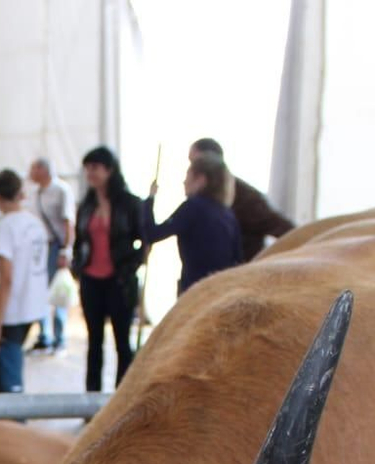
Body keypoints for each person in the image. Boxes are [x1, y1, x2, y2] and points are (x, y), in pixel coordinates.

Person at [71, 146, 147, 392]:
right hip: (91, 281)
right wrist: (77, 267)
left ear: (109, 170)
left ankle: (121, 397)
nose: (89, 174)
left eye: (94, 168)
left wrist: (132, 263)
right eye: (87, 169)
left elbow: (145, 240)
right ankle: (91, 399)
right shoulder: (86, 205)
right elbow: (79, 241)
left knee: (122, 344)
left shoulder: (130, 204)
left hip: (120, 281)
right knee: (94, 342)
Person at [0, 168, 50, 394]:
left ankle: (16, 419)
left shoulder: (5, 227)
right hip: (34, 303)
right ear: (20, 194)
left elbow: (7, 278)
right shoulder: (35, 224)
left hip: (14, 309)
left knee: (8, 368)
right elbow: (24, 265)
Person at [143, 154, 241, 296]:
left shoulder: (192, 207)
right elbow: (238, 259)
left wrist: (150, 199)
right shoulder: (228, 214)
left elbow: (152, 234)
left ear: (201, 180)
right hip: (223, 291)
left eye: (188, 175)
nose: (184, 181)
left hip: (196, 291)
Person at [188, 137, 292, 261]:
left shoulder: (247, 198)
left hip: (242, 273)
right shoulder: (198, 204)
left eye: (195, 163)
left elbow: (287, 230)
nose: (190, 170)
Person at [25, 158, 71, 353]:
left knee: (58, 291)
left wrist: (65, 250)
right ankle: (44, 336)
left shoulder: (61, 190)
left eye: (33, 168)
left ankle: (60, 338)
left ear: (43, 169)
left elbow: (69, 223)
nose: (30, 172)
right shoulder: (35, 193)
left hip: (55, 246)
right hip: (38, 248)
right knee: (39, 291)